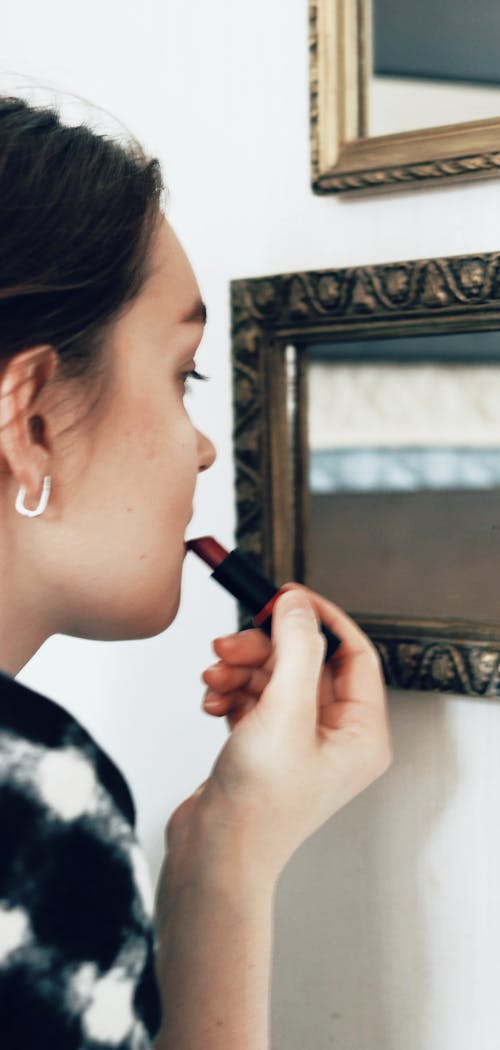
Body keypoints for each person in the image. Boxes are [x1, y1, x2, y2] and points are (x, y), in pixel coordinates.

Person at [0, 95, 391, 1049]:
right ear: (32, 420)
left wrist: (222, 848)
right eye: (185, 375)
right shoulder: (34, 793)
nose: (205, 450)